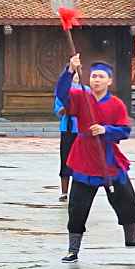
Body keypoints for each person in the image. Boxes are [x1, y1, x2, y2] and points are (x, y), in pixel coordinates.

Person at [56, 54, 135, 261]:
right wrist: (70, 70)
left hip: (109, 159)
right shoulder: (81, 97)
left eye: (101, 76)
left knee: (127, 200)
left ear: (109, 81)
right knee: (77, 206)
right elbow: (62, 94)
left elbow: (124, 131)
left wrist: (106, 130)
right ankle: (73, 249)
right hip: (83, 158)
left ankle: (132, 238)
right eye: (93, 76)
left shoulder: (116, 104)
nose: (96, 80)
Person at [56, 71, 87, 202]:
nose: (75, 75)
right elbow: (58, 111)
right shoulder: (63, 91)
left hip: (82, 129)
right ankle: (64, 192)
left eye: (77, 73)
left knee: (82, 159)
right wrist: (68, 107)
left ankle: (81, 190)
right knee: (66, 158)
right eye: (73, 73)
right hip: (67, 128)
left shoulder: (86, 90)